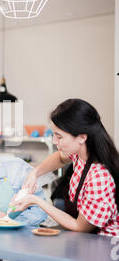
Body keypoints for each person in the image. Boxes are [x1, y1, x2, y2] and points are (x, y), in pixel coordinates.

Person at [11, 99, 119, 236]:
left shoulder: (99, 177)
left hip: (104, 247)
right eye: (54, 135)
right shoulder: (81, 154)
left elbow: (80, 226)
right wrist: (34, 173)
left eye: (59, 136)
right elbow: (60, 158)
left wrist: (36, 201)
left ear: (81, 138)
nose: (55, 141)